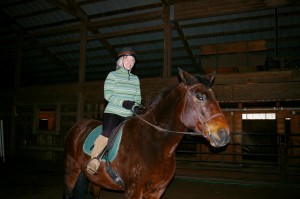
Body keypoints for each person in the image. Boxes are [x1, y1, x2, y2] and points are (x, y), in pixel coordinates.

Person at [86, 47, 142, 175]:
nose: (130, 63)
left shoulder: (135, 79)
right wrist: (123, 102)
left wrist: (136, 107)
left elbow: (137, 97)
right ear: (120, 61)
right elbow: (108, 95)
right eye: (127, 59)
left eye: (133, 61)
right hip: (113, 112)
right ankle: (94, 160)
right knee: (107, 132)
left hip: (129, 114)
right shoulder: (112, 75)